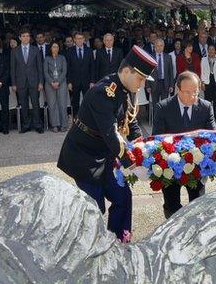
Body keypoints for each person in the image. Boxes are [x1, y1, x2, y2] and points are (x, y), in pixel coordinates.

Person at [57, 45, 157, 242]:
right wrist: (132, 160)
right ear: (127, 71)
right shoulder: (104, 93)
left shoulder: (123, 88)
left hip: (105, 156)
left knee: (123, 196)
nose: (143, 84)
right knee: (94, 207)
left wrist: (141, 145)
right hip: (84, 158)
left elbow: (129, 119)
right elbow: (111, 134)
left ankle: (120, 240)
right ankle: (89, 249)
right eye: (141, 78)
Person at [152, 71, 216, 219]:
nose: (193, 96)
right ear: (177, 89)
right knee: (172, 207)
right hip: (170, 166)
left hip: (197, 165)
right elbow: (157, 139)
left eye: (196, 92)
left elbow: (212, 136)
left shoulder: (206, 107)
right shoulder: (163, 107)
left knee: (198, 206)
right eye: (188, 92)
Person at [10, 28, 44, 134]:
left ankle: (38, 125)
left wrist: (41, 82)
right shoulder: (15, 51)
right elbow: (13, 69)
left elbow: (40, 67)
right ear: (20, 38)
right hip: (20, 82)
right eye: (24, 36)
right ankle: (26, 125)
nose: (26, 38)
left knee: (35, 104)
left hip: (34, 81)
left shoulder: (35, 50)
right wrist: (14, 83)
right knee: (23, 104)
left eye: (28, 36)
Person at [66, 32, 95, 118]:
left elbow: (92, 67)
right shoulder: (70, 51)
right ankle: (76, 118)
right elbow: (68, 68)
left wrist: (92, 81)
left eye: (81, 38)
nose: (79, 40)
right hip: (75, 81)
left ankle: (87, 117)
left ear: (84, 39)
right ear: (74, 40)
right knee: (75, 101)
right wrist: (69, 82)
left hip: (87, 80)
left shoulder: (89, 50)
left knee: (87, 100)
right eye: (77, 38)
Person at [44, 42, 69, 133]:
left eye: (57, 47)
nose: (56, 48)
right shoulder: (47, 58)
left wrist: (58, 81)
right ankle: (55, 125)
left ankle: (64, 124)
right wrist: (52, 82)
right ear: (50, 48)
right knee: (52, 104)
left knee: (62, 104)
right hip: (49, 84)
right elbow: (45, 72)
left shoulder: (62, 58)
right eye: (54, 47)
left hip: (61, 83)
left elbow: (64, 71)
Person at [147, 38, 174, 109]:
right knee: (155, 105)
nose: (159, 47)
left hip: (165, 84)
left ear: (164, 46)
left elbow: (170, 72)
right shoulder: (150, 57)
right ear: (154, 46)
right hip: (153, 84)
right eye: (158, 46)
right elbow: (147, 72)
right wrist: (147, 86)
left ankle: (163, 120)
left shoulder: (168, 57)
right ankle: (156, 120)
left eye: (161, 45)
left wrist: (171, 85)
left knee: (164, 105)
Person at [201, 44, 216, 123]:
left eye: (213, 49)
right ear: (208, 50)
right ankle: (207, 118)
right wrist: (202, 82)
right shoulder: (203, 59)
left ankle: (215, 118)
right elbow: (202, 72)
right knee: (207, 101)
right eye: (210, 49)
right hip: (207, 81)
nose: (211, 51)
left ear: (215, 51)